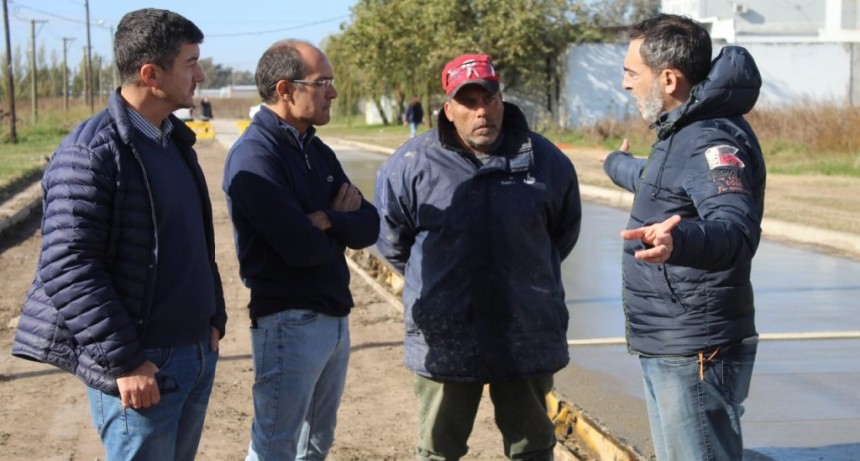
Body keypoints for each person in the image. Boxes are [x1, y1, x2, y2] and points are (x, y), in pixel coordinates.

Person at [12, 8, 227, 460]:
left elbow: (192, 242)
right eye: (190, 62)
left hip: (192, 352)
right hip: (143, 365)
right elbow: (67, 266)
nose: (201, 74)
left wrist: (212, 319)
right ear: (151, 73)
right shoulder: (90, 153)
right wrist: (126, 362)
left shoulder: (173, 140)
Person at [375, 53, 582, 461]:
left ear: (501, 100)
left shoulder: (547, 162)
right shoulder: (410, 166)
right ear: (448, 109)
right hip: (446, 336)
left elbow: (562, 235)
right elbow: (393, 244)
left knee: (533, 448)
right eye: (467, 102)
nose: (481, 111)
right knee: (438, 450)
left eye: (488, 98)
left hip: (525, 333)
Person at [600, 14, 765, 461]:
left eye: (632, 73)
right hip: (673, 340)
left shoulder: (707, 138)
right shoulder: (681, 131)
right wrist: (614, 164)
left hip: (696, 348)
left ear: (669, 78)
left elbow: (736, 229)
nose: (626, 84)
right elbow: (655, 181)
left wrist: (681, 241)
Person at [222, 39, 380, 461]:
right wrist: (334, 226)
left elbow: (370, 225)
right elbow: (300, 248)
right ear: (285, 89)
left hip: (332, 317)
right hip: (288, 322)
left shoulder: (316, 149)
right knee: (275, 444)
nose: (333, 91)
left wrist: (328, 219)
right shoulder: (255, 158)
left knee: (315, 443)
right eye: (322, 82)